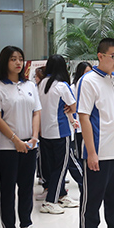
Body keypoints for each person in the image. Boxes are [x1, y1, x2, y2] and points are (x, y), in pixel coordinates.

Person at [76, 38, 114, 228]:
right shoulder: (88, 81)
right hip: (99, 152)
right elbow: (84, 117)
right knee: (92, 200)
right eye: (113, 56)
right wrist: (91, 152)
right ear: (100, 56)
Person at [0, 46, 43, 228]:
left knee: (27, 187)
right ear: (5, 62)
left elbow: (36, 111)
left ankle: (26, 225)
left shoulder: (30, 85)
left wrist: (34, 136)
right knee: (8, 188)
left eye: (20, 58)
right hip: (7, 146)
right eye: (13, 59)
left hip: (30, 144)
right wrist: (15, 140)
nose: (18, 62)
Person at [37, 55, 81, 214]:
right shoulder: (62, 86)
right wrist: (69, 109)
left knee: (52, 166)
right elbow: (74, 106)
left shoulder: (41, 84)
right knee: (60, 168)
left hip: (45, 132)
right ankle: (50, 202)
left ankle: (61, 195)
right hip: (60, 131)